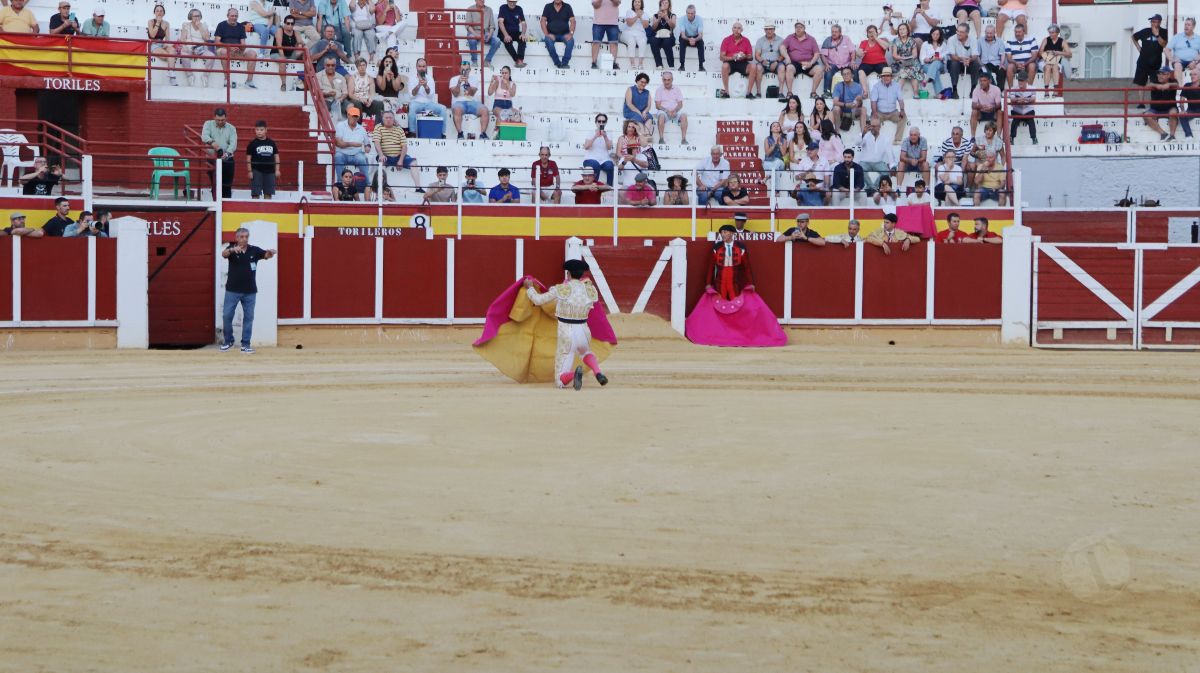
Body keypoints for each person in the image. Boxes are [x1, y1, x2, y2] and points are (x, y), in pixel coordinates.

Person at [523, 259, 609, 390]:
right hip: (584, 332)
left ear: (568, 274)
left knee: (559, 380)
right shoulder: (590, 290)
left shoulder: (561, 289)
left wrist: (529, 288)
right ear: (581, 275)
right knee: (585, 352)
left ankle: (574, 374)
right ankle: (598, 372)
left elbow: (538, 300)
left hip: (567, 334)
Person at [220, 228, 276, 354]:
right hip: (232, 290)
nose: (244, 239)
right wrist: (232, 250)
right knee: (226, 316)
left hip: (250, 291)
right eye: (241, 237)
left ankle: (245, 345)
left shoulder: (254, 250)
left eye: (246, 236)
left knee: (249, 317)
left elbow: (265, 255)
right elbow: (224, 254)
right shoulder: (231, 248)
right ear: (236, 237)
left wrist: (270, 253)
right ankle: (228, 341)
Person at [373, 110, 423, 193]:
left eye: (390, 118)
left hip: (399, 156)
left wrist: (401, 160)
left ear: (393, 119)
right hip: (385, 156)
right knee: (381, 162)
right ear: (382, 119)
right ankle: (382, 188)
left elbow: (404, 146)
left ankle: (418, 188)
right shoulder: (378, 127)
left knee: (414, 163)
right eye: (386, 118)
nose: (388, 119)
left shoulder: (399, 129)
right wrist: (381, 155)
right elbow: (376, 142)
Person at [705, 224, 753, 300]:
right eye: (721, 233)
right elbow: (711, 267)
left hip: (734, 281)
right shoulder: (716, 247)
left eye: (725, 232)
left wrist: (751, 283)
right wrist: (708, 284)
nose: (722, 235)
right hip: (720, 281)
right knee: (720, 303)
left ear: (732, 233)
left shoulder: (741, 247)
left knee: (736, 302)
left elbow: (747, 267)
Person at [214, 8, 257, 89]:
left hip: (237, 51)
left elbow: (243, 44)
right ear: (227, 16)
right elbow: (217, 42)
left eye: (236, 16)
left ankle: (249, 81)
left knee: (253, 53)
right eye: (232, 16)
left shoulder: (240, 27)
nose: (234, 17)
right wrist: (229, 47)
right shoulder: (221, 25)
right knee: (223, 51)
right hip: (224, 49)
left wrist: (240, 48)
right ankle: (227, 80)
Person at [780, 21, 824, 100]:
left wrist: (811, 63)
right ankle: (789, 92)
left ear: (804, 28)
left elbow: (817, 53)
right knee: (789, 68)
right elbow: (782, 47)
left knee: (819, 69)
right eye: (797, 27)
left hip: (808, 63)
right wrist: (787, 57)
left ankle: (813, 92)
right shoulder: (790, 37)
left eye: (800, 27)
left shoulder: (811, 39)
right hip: (795, 63)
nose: (798, 29)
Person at [450, 60, 491, 139]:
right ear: (460, 69)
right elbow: (455, 94)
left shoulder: (474, 79)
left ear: (470, 70)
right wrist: (459, 83)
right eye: (463, 69)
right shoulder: (454, 79)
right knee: (457, 109)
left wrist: (467, 83)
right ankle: (460, 133)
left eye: (466, 70)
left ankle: (483, 134)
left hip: (471, 102)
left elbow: (472, 93)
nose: (464, 71)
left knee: (485, 110)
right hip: (458, 102)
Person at [408, 58, 449, 137]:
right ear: (416, 67)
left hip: (428, 103)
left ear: (426, 67)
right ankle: (412, 132)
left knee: (443, 109)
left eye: (423, 66)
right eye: (420, 66)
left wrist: (425, 86)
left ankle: (442, 133)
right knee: (412, 108)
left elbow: (430, 95)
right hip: (416, 102)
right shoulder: (412, 78)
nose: (422, 68)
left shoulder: (430, 78)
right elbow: (411, 95)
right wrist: (419, 85)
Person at [202, 108, 237, 199]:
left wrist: (227, 154)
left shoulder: (231, 128)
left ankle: (226, 209)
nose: (220, 122)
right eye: (218, 120)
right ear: (214, 117)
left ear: (226, 118)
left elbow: (233, 143)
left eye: (222, 120)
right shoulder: (208, 124)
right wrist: (214, 144)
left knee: (227, 185)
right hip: (212, 159)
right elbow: (204, 136)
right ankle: (216, 206)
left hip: (227, 159)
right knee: (215, 184)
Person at [719, 22, 758, 99]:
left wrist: (744, 56)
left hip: (742, 62)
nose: (736, 30)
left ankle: (749, 93)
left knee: (753, 66)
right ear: (732, 29)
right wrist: (732, 58)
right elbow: (721, 57)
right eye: (735, 28)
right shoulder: (726, 40)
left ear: (742, 30)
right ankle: (726, 92)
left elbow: (750, 57)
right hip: (730, 62)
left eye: (739, 28)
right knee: (724, 66)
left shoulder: (746, 40)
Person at [856, 117, 895, 192]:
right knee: (859, 170)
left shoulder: (885, 138)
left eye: (874, 126)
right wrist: (863, 133)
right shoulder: (865, 135)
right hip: (865, 162)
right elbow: (857, 143)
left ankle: (872, 188)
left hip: (879, 162)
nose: (872, 128)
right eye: (871, 125)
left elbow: (889, 152)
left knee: (886, 172)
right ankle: (873, 188)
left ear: (879, 127)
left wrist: (892, 165)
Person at [244, 120, 280, 200]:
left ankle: (267, 211)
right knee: (255, 194)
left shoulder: (272, 143)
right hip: (257, 171)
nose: (259, 132)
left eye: (261, 130)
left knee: (268, 194)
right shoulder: (252, 144)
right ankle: (255, 211)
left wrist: (277, 170)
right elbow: (248, 158)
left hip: (270, 172)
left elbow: (276, 157)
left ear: (266, 130)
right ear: (255, 130)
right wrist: (250, 171)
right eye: (257, 130)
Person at [869, 67, 907, 143]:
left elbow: (900, 100)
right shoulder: (876, 86)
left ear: (891, 77)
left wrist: (902, 110)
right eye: (884, 76)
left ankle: (897, 139)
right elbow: (873, 101)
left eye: (888, 76)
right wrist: (874, 112)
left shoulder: (896, 86)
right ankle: (874, 139)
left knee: (903, 117)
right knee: (873, 121)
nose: (886, 78)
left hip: (893, 112)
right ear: (881, 77)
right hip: (880, 113)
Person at [1132, 15, 1169, 92]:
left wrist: (1157, 35)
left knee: (1155, 83)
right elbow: (1133, 37)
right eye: (1151, 21)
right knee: (1141, 83)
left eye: (1154, 22)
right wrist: (1138, 48)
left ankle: (1154, 103)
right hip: (1142, 61)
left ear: (1159, 22)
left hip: (1155, 62)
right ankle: (1141, 103)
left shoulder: (1164, 32)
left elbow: (1164, 44)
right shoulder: (1145, 31)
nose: (1152, 23)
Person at [334, 106, 371, 178]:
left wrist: (367, 147)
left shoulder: (362, 129)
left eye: (356, 116)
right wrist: (352, 144)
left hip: (357, 154)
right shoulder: (340, 125)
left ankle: (366, 183)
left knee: (362, 159)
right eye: (353, 115)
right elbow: (339, 143)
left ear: (359, 117)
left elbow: (367, 143)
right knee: (338, 156)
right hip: (343, 153)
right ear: (348, 115)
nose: (354, 118)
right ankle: (340, 183)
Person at [945, 23, 980, 98]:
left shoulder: (973, 39)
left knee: (976, 64)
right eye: (957, 31)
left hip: (968, 62)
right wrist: (962, 59)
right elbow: (952, 56)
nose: (958, 33)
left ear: (967, 33)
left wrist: (970, 59)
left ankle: (973, 89)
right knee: (954, 63)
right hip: (956, 62)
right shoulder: (951, 39)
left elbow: (975, 55)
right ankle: (954, 90)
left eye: (961, 32)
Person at [819, 24, 855, 96]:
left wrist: (852, 61)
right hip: (833, 64)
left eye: (836, 32)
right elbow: (822, 54)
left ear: (840, 33)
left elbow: (853, 51)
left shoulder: (846, 39)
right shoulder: (827, 41)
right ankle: (827, 92)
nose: (834, 33)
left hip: (846, 63)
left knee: (855, 69)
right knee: (828, 71)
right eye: (832, 32)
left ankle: (856, 91)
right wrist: (826, 64)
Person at [654, 71, 688, 144]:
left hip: (675, 111)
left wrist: (675, 110)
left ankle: (684, 139)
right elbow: (657, 105)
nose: (666, 82)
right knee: (661, 116)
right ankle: (661, 139)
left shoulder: (677, 89)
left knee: (684, 116)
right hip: (664, 111)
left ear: (672, 79)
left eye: (668, 79)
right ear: (662, 80)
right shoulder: (659, 90)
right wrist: (667, 111)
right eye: (665, 80)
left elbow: (680, 104)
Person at [1146, 68, 1180, 141]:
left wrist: (1168, 84)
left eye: (1163, 74)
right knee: (1146, 115)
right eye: (1159, 73)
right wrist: (1156, 86)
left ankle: (1172, 135)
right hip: (1155, 109)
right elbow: (1148, 85)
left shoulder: (1172, 81)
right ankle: (1163, 133)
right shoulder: (1155, 81)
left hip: (1170, 107)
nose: (1160, 76)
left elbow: (1177, 84)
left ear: (1168, 75)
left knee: (1173, 114)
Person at [539, 0, 575, 69]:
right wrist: (547, 34)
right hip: (551, 35)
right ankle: (558, 63)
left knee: (570, 41)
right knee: (548, 41)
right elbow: (543, 20)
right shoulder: (548, 6)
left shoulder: (567, 7)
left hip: (565, 35)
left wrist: (571, 34)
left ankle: (564, 63)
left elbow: (573, 21)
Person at [273, 17, 306, 91]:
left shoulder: (295, 32)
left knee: (304, 51)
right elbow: (279, 45)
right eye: (288, 23)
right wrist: (283, 57)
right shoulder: (280, 30)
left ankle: (305, 79)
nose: (290, 25)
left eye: (292, 23)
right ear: (284, 24)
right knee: (282, 60)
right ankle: (283, 84)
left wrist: (301, 45)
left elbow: (302, 43)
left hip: (290, 55)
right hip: (277, 53)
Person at [890, 23, 922, 99]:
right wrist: (902, 59)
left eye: (903, 29)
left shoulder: (912, 40)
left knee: (909, 70)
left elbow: (914, 55)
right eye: (900, 29)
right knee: (906, 70)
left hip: (911, 62)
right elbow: (894, 55)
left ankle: (913, 93)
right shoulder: (895, 41)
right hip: (900, 62)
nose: (901, 31)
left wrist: (907, 58)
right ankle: (915, 93)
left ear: (907, 31)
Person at [831, 66, 867, 133]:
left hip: (853, 110)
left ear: (852, 75)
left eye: (848, 73)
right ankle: (837, 133)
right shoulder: (838, 86)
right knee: (836, 108)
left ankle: (863, 134)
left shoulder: (858, 86)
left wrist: (858, 102)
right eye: (844, 74)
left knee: (863, 109)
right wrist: (846, 105)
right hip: (842, 110)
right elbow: (835, 102)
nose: (846, 75)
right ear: (842, 76)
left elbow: (859, 103)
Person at [855, 24, 890, 93]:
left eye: (873, 32)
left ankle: (887, 90)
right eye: (869, 32)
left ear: (877, 33)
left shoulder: (881, 40)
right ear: (867, 34)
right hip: (866, 63)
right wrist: (860, 53)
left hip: (880, 63)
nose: (871, 33)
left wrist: (876, 38)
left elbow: (886, 47)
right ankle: (865, 91)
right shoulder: (864, 42)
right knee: (860, 71)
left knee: (886, 71)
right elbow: (859, 53)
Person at [465, 0, 501, 66]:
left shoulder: (489, 9)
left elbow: (492, 26)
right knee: (472, 39)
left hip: (486, 33)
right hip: (474, 32)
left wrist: (490, 35)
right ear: (475, 0)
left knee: (497, 41)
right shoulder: (470, 9)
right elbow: (468, 26)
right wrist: (476, 35)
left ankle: (487, 61)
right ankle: (474, 61)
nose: (482, 0)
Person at [583, 113, 615, 185]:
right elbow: (586, 147)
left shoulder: (609, 134)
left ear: (606, 123)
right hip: (590, 158)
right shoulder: (590, 133)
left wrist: (605, 137)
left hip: (604, 160)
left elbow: (609, 147)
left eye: (603, 121)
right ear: (596, 122)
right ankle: (594, 187)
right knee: (595, 165)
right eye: (599, 121)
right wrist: (595, 136)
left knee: (610, 166)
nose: (601, 123)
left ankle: (609, 187)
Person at [1003, 23, 1038, 89]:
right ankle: (1011, 90)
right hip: (1015, 65)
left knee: (1032, 65)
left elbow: (1034, 56)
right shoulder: (1009, 41)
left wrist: (1025, 64)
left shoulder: (1031, 39)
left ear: (1024, 32)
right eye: (1016, 32)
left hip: (1027, 64)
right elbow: (1009, 58)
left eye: (1019, 32)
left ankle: (1028, 89)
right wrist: (1016, 63)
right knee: (1010, 66)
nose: (1017, 34)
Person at [755, 25, 785, 99]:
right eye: (767, 29)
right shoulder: (760, 40)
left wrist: (776, 62)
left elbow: (783, 55)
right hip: (763, 62)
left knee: (782, 67)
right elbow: (757, 55)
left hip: (776, 62)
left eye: (771, 29)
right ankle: (758, 92)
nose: (769, 31)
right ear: (764, 30)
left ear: (774, 29)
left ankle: (780, 93)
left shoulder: (781, 40)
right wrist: (762, 61)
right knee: (758, 67)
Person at [1039, 24, 1070, 96]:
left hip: (1056, 61)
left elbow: (1069, 54)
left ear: (1057, 33)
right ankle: (1046, 90)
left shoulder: (1062, 41)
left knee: (1055, 66)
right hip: (1045, 60)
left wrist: (1059, 52)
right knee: (1048, 67)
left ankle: (1055, 90)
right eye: (1050, 32)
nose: (1051, 34)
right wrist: (1047, 52)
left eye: (1052, 32)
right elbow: (1040, 52)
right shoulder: (1046, 39)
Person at [1008, 70, 1038, 143]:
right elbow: (1011, 98)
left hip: (1028, 110)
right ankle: (1012, 138)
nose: (1020, 82)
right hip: (1017, 110)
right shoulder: (1013, 88)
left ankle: (1034, 138)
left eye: (1022, 80)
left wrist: (1025, 100)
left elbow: (1033, 99)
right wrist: (1018, 99)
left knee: (1031, 121)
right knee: (1014, 121)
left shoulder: (1032, 88)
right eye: (1019, 80)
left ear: (1026, 80)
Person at [1167, 18, 1198, 86]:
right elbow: (1166, 49)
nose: (1186, 26)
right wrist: (1172, 59)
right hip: (1179, 61)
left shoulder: (1198, 38)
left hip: (1194, 61)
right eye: (1185, 24)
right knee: (1177, 65)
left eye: (1189, 25)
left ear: (1193, 27)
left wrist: (1195, 61)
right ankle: (1180, 89)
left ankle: (1196, 89)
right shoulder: (1177, 37)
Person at [590, 0, 621, 69]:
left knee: (614, 43)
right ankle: (594, 63)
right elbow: (595, 5)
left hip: (613, 23)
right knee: (596, 42)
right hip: (598, 22)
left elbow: (617, 3)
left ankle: (613, 63)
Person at [497, 0, 528, 67]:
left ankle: (520, 59)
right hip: (503, 32)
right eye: (510, 1)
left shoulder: (519, 9)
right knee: (508, 41)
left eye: (514, 1)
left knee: (522, 39)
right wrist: (506, 35)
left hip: (515, 32)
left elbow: (524, 23)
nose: (512, 3)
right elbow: (500, 22)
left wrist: (523, 34)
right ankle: (517, 60)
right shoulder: (503, 7)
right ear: (507, 1)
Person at [619, 0, 648, 69]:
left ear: (641, 4)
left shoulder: (645, 14)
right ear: (633, 3)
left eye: (639, 2)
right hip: (628, 33)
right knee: (631, 41)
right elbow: (629, 23)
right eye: (635, 2)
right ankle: (632, 63)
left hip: (640, 34)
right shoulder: (629, 12)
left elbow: (646, 26)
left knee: (643, 41)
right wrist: (637, 16)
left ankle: (640, 64)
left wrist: (640, 17)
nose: (637, 3)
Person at [647, 0, 676, 68]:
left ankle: (671, 65)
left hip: (669, 36)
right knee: (653, 41)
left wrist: (666, 17)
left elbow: (673, 26)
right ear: (660, 4)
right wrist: (659, 18)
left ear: (669, 5)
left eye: (666, 3)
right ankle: (659, 65)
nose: (664, 4)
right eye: (663, 3)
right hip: (658, 36)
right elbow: (653, 28)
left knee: (667, 42)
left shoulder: (672, 15)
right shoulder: (656, 15)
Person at [920, 28, 948, 95]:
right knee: (936, 72)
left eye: (937, 34)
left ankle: (926, 79)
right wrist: (931, 59)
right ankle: (939, 94)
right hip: (927, 65)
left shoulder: (943, 44)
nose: (935, 36)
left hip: (940, 64)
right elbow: (922, 59)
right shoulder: (925, 44)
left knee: (936, 62)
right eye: (934, 34)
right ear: (931, 34)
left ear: (940, 35)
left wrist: (939, 58)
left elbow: (945, 57)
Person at [677, 4, 704, 71]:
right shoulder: (682, 19)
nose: (690, 15)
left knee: (701, 43)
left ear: (695, 13)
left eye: (692, 13)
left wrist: (694, 39)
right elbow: (683, 35)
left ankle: (701, 66)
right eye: (688, 13)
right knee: (682, 42)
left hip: (696, 37)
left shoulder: (699, 19)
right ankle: (682, 65)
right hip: (685, 37)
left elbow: (700, 35)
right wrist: (689, 39)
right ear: (686, 13)